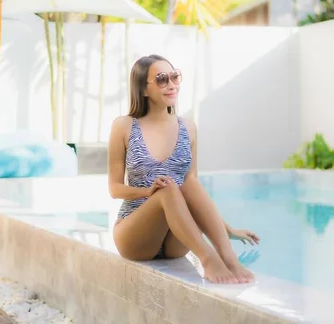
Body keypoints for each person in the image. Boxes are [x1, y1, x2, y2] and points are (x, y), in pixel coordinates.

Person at [108, 54, 260, 284]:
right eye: (161, 79)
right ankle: (208, 258)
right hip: (136, 236)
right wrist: (148, 192)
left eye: (174, 77)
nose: (171, 85)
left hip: (175, 238)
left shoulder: (188, 127)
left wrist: (226, 229)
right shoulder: (124, 125)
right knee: (169, 188)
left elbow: (194, 193)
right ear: (144, 89)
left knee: (187, 183)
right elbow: (114, 188)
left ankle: (228, 257)